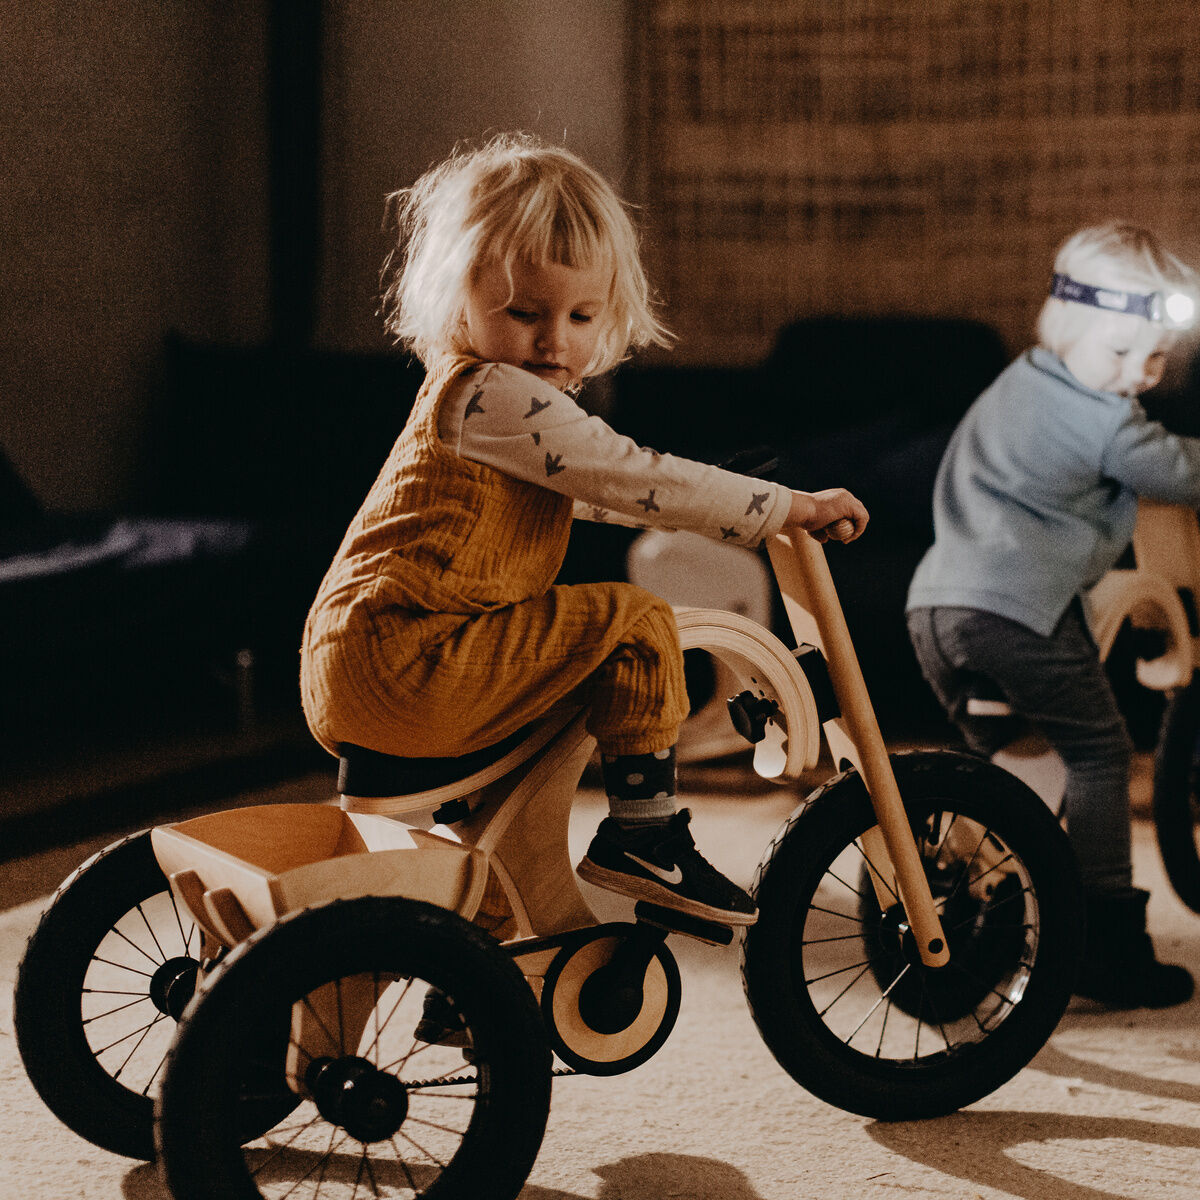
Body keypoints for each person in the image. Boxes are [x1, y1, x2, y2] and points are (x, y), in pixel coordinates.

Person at [299, 132, 868, 928]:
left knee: (499, 825)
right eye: (524, 313)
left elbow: (610, 493)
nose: (554, 340)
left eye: (580, 315)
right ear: (458, 300)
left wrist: (735, 495)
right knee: (634, 622)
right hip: (410, 659)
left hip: (374, 659)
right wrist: (789, 506)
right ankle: (646, 836)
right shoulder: (492, 391)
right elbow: (630, 475)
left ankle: (477, 976)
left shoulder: (489, 406)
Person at [906, 221, 1200, 1008]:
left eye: (1156, 357)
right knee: (1100, 752)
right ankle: (1105, 942)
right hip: (1018, 614)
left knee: (1018, 767)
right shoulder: (1103, 418)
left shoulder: (1019, 384)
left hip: (938, 610)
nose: (1137, 373)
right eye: (1119, 352)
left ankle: (980, 919)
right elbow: (1176, 470)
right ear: (1064, 324)